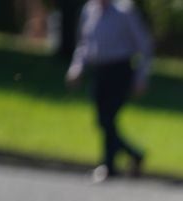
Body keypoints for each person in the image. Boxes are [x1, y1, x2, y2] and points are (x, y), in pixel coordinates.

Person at [65, 0, 152, 183]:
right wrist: (77, 68)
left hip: (120, 72)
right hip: (99, 71)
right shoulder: (89, 10)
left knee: (108, 118)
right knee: (102, 121)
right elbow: (84, 44)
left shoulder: (125, 11)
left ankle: (108, 166)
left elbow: (144, 45)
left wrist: (141, 77)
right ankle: (134, 155)